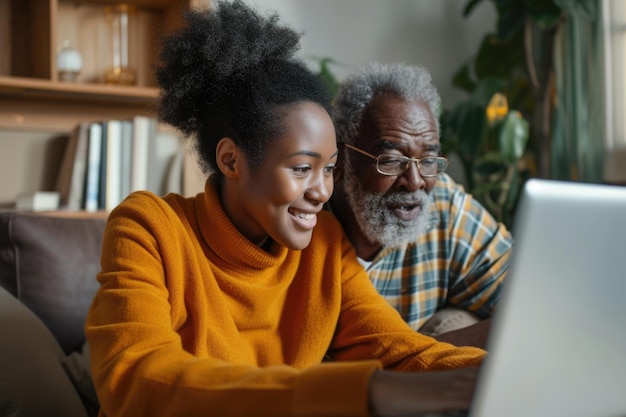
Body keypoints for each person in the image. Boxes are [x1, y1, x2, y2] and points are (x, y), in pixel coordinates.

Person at [85, 2, 486, 416]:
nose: (321, 192)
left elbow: (401, 352)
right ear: (231, 161)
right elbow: (135, 377)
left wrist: (501, 375)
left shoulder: (325, 246)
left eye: (329, 169)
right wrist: (365, 392)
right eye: (301, 168)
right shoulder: (148, 228)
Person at [329, 62, 514, 349]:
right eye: (391, 160)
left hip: (413, 383)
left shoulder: (445, 207)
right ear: (340, 159)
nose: (414, 182)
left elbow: (526, 304)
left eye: (428, 160)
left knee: (461, 322)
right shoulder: (302, 220)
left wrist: (420, 357)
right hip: (331, 390)